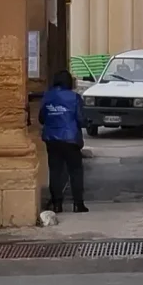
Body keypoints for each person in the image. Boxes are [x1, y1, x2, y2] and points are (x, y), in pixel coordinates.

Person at [37, 71, 87, 213]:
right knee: (75, 171)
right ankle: (78, 204)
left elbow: (41, 118)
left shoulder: (47, 96)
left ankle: (57, 204)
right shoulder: (74, 97)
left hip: (51, 138)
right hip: (70, 139)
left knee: (55, 171)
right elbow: (81, 119)